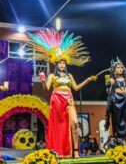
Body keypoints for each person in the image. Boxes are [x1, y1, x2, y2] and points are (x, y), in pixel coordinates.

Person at [28, 29, 96, 158]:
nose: (62, 65)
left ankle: (76, 150)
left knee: (75, 123)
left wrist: (87, 80)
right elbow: (46, 88)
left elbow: (76, 88)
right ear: (56, 63)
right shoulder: (52, 75)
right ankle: (59, 151)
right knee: (59, 126)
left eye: (63, 63)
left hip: (69, 99)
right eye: (60, 63)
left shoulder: (69, 75)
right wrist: (43, 79)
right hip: (57, 99)